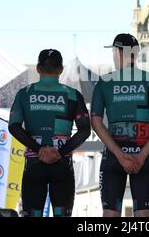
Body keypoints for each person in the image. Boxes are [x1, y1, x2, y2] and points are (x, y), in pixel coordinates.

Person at [91, 33, 149, 217]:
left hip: (113, 157)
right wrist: (142, 156)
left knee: (110, 215)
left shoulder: (104, 82)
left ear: (118, 52)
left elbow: (95, 122)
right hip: (144, 157)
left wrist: (119, 154)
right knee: (143, 217)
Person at [8, 49, 91, 217]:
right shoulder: (73, 95)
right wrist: (59, 153)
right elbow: (85, 130)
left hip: (34, 163)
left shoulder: (24, 93)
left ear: (38, 68)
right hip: (62, 164)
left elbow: (14, 127)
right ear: (60, 69)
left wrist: (38, 150)